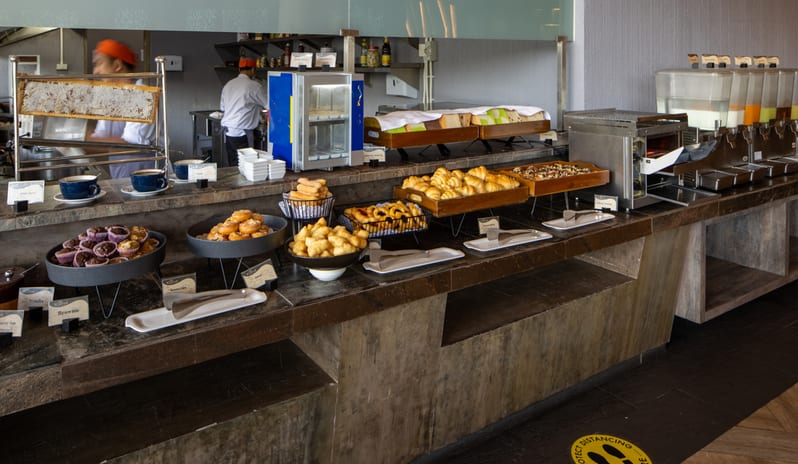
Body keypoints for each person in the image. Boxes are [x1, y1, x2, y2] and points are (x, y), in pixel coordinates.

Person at [88, 39, 157, 179]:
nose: (96, 71)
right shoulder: (109, 98)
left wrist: (84, 139)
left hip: (149, 180)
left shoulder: (143, 95)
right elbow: (101, 135)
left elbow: (131, 144)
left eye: (99, 63)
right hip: (121, 179)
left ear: (117, 65)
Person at [220, 58, 268, 166]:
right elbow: (268, 104)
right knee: (246, 165)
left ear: (239, 69)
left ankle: (233, 183)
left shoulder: (228, 84)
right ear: (252, 70)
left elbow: (223, 108)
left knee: (233, 163)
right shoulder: (254, 86)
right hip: (242, 132)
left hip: (228, 131)